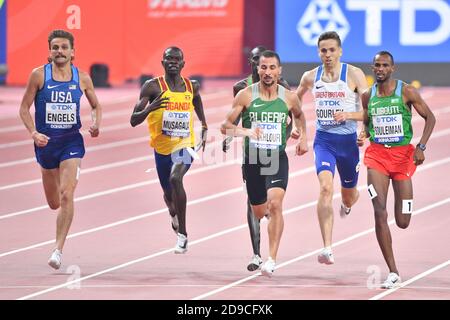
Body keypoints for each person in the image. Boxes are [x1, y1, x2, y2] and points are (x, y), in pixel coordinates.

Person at [19, 29, 102, 270]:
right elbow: (24, 108)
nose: (60, 51)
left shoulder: (82, 78)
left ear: (73, 52)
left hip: (71, 142)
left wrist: (96, 123)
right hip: (46, 144)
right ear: (49, 52)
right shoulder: (38, 76)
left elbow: (96, 105)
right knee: (54, 202)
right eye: (55, 47)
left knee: (67, 194)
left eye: (64, 47)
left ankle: (58, 249)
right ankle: (58, 241)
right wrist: (34, 133)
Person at [221, 50, 308, 277]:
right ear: (257, 69)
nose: (268, 72)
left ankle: (271, 259)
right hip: (254, 159)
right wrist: (247, 131)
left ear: (279, 71)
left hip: (276, 157)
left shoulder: (288, 96)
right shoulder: (246, 95)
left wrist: (303, 136)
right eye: (264, 68)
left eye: (272, 68)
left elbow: (299, 114)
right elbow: (226, 126)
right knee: (259, 210)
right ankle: (267, 215)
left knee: (276, 204)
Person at [360, 51, 435, 288]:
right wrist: (364, 133)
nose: (380, 69)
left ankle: (403, 211)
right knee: (379, 210)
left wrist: (421, 147)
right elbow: (367, 121)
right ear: (373, 68)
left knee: (403, 221)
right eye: (377, 65)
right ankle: (393, 271)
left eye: (385, 65)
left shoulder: (407, 92)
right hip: (377, 157)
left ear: (393, 68)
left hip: (403, 158)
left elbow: (430, 118)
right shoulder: (367, 96)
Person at [295, 31, 367, 265]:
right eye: (323, 50)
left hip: (348, 144)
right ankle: (327, 248)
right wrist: (301, 133)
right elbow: (293, 104)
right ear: (318, 52)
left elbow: (370, 111)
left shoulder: (354, 74)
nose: (327, 55)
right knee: (326, 188)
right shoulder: (310, 77)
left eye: (332, 50)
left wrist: (353, 118)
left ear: (340, 51)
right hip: (324, 141)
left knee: (349, 195)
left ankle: (346, 205)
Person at [130, 47, 207, 254]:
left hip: (185, 144)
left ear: (183, 63)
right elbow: (133, 121)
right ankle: (173, 213)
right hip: (161, 149)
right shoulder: (152, 87)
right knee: (169, 195)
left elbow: (196, 100)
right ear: (163, 63)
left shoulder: (192, 86)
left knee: (176, 179)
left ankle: (183, 234)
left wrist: (205, 125)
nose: (173, 62)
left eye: (177, 59)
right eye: (169, 59)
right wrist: (150, 108)